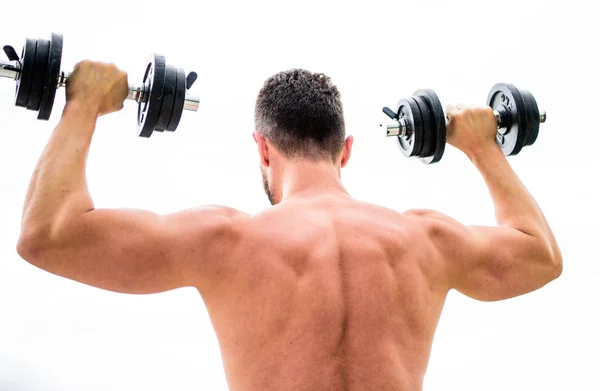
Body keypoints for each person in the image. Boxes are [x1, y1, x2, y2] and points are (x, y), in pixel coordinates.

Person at [16, 60, 562, 391]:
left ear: (263, 149)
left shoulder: (226, 240)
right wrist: (483, 147)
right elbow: (540, 255)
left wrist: (83, 103)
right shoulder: (426, 239)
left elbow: (49, 235)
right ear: (345, 150)